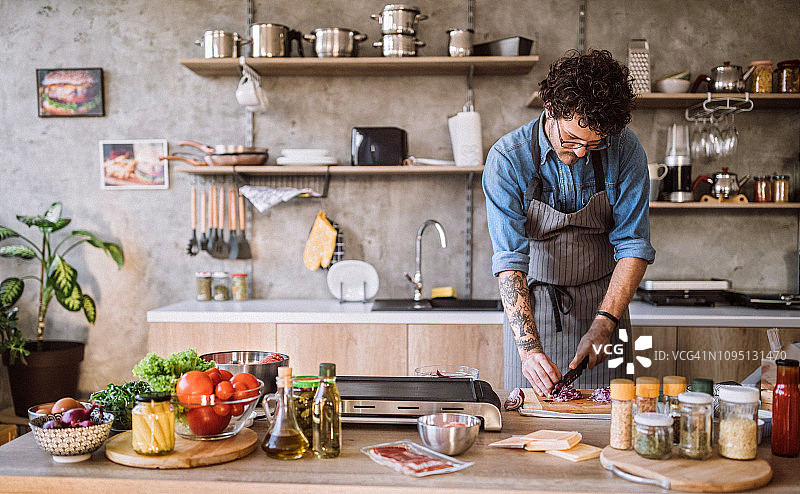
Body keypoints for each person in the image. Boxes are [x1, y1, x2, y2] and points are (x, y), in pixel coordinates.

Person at [482, 49, 655, 397]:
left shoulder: (625, 150)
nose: (580, 153)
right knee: (531, 424)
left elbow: (633, 246)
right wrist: (530, 350)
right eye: (571, 140)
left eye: (593, 145)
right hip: (536, 308)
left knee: (613, 416)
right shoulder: (507, 159)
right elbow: (509, 262)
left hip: (607, 303)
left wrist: (605, 324)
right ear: (550, 108)